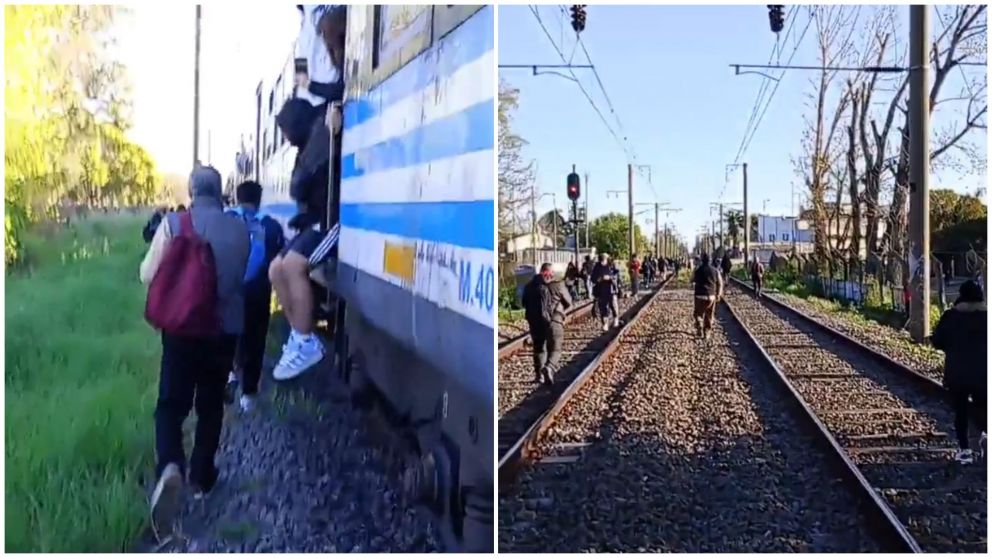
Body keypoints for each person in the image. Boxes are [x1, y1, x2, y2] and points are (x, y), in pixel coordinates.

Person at [139, 166, 250, 533]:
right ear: (221, 192)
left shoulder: (174, 224)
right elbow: (240, 277)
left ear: (190, 189)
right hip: (223, 332)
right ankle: (202, 477)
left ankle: (170, 464)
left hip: (183, 330)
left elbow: (146, 274)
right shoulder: (240, 228)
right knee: (211, 405)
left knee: (171, 404)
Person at [267, 6, 346, 382]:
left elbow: (340, 84)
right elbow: (319, 81)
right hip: (315, 214)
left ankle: (305, 340)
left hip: (332, 218)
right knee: (275, 268)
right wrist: (307, 85)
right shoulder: (305, 29)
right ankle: (301, 339)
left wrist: (310, 88)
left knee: (293, 266)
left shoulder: (328, 115)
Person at [223, 181, 286, 413]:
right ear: (260, 201)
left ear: (237, 198)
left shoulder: (226, 219)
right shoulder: (271, 226)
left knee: (230, 332)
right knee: (255, 339)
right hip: (258, 292)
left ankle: (230, 373)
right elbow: (278, 258)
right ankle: (249, 395)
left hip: (230, 289)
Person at [931, 280, 987, 464]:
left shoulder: (951, 316)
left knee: (961, 412)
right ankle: (985, 437)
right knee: (984, 408)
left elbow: (937, 341)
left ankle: (965, 451)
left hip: (958, 374)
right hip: (984, 375)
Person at [522, 263, 572, 385]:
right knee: (556, 348)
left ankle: (539, 376)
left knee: (539, 348)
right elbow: (569, 303)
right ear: (552, 273)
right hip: (554, 320)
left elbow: (524, 303)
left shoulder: (529, 286)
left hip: (535, 322)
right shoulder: (558, 285)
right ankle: (549, 367)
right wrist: (562, 313)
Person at [692, 252, 723, 341]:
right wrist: (719, 294)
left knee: (698, 313)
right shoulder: (715, 270)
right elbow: (720, 283)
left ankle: (699, 324)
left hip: (699, 296)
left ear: (702, 260)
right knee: (709, 314)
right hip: (711, 296)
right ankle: (707, 332)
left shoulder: (697, 270)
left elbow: (691, 279)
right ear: (710, 260)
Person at [592, 254, 620, 331]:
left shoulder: (612, 265)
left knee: (613, 305)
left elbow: (617, 275)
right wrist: (598, 279)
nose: (602, 263)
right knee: (603, 307)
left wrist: (610, 277)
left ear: (607, 259)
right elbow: (593, 278)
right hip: (601, 289)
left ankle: (616, 319)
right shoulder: (597, 267)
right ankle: (605, 324)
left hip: (611, 289)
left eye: (603, 261)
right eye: (601, 261)